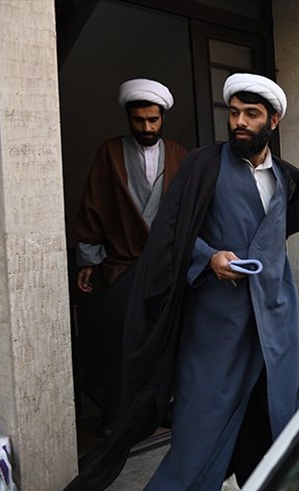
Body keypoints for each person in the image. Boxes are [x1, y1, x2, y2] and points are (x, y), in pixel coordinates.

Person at [50, 72, 299, 491]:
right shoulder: (203, 165)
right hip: (217, 319)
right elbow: (171, 233)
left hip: (275, 317)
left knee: (271, 409)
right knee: (204, 414)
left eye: (251, 114)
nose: (239, 122)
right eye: (234, 113)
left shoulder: (286, 174)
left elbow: (272, 233)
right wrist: (208, 258)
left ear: (273, 121)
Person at [72, 78, 187, 438]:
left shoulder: (179, 154)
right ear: (128, 118)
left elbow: (190, 209)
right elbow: (94, 204)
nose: (147, 128)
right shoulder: (110, 152)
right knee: (119, 343)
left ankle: (163, 408)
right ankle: (118, 415)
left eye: (153, 120)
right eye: (139, 120)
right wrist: (88, 260)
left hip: (165, 267)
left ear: (162, 118)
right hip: (121, 266)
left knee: (166, 341)